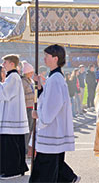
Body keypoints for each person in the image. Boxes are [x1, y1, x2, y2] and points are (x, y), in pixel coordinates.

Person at [29, 44, 80, 183]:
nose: (44, 58)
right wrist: (40, 89)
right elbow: (48, 99)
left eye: (47, 56)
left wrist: (38, 114)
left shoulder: (55, 80)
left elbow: (51, 109)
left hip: (50, 134)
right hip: (53, 134)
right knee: (52, 171)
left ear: (55, 58)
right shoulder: (54, 78)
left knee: (45, 174)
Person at [0, 54, 29, 179]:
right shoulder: (12, 77)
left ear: (12, 64)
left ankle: (13, 171)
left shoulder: (13, 77)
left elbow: (5, 93)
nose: (3, 65)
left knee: (12, 147)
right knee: (13, 145)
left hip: (12, 119)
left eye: (5, 62)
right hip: (12, 118)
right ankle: (16, 168)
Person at [21, 61, 35, 156]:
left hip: (31, 107)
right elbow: (21, 96)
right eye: (31, 72)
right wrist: (33, 95)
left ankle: (28, 148)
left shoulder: (30, 80)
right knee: (27, 130)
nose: (32, 73)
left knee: (31, 129)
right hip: (26, 107)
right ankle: (25, 148)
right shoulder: (23, 82)